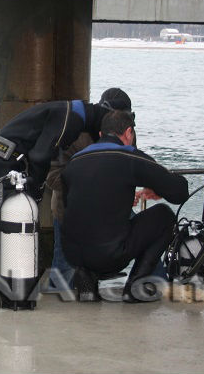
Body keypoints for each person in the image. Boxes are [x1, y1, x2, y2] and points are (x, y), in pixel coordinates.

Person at [0, 96, 120, 300]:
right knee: (14, 225)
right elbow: (40, 156)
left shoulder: (69, 110)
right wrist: (37, 188)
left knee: (8, 227)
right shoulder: (71, 120)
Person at [61, 110, 190, 302]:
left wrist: (122, 197)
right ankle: (135, 288)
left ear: (100, 135)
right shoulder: (129, 156)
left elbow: (74, 203)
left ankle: (87, 277)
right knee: (164, 215)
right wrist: (158, 188)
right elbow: (179, 192)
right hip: (108, 256)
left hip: (73, 254)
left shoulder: (75, 161)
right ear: (129, 132)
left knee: (91, 228)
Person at [46, 88, 132, 289]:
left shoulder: (127, 133)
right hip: (70, 213)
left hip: (108, 212)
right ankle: (54, 309)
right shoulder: (74, 133)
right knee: (63, 267)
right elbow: (52, 176)